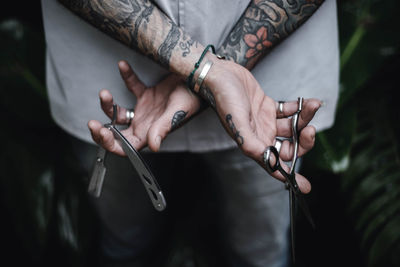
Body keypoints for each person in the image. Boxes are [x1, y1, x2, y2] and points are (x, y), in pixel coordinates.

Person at [41, 0, 339, 266]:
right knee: (125, 245)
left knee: (260, 254)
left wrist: (208, 75)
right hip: (107, 76)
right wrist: (209, 75)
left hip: (265, 92)